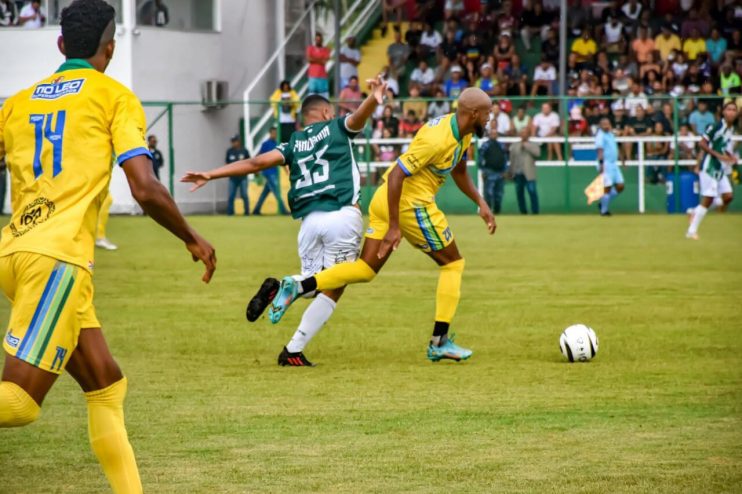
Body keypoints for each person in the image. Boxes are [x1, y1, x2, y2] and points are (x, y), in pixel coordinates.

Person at [0, 2, 216, 493]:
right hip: (57, 260)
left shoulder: (17, 102)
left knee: (106, 383)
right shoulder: (113, 96)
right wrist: (193, 236)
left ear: (60, 47)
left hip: (15, 253)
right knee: (18, 404)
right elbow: (144, 187)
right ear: (110, 50)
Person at [254, 88, 497, 363]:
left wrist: (480, 201)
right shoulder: (437, 138)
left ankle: (299, 286)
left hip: (385, 201)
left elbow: (459, 169)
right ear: (474, 113)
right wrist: (395, 226)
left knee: (366, 269)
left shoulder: (462, 130)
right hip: (408, 204)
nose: (490, 117)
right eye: (488, 112)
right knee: (453, 264)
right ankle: (439, 342)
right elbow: (396, 176)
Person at [181, 78, 387, 366]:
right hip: (341, 214)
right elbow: (358, 117)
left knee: (312, 286)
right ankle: (287, 304)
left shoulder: (293, 143)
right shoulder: (337, 127)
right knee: (336, 283)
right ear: (327, 113)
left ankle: (292, 349)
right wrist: (374, 98)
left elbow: (255, 163)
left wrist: (210, 174)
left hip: (309, 223)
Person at [686, 102, 739, 240]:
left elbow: (723, 145)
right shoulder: (716, 126)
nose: (732, 112)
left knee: (728, 196)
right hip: (709, 166)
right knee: (709, 197)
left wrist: (729, 155)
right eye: (729, 109)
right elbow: (702, 143)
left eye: (734, 110)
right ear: (723, 112)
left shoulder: (730, 129)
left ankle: (694, 211)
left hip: (719, 167)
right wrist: (718, 155)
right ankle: (691, 231)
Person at [252, 128, 287, 215]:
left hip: (274, 171)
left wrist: (285, 169)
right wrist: (256, 169)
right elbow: (259, 155)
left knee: (265, 193)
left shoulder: (277, 144)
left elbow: (281, 158)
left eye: (275, 133)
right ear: (270, 133)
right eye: (273, 133)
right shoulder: (265, 144)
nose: (274, 135)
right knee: (276, 191)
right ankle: (283, 210)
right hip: (268, 172)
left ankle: (256, 210)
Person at [595, 117, 625, 216]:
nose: (607, 126)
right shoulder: (600, 136)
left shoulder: (611, 134)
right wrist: (601, 164)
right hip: (606, 163)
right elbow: (600, 150)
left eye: (608, 123)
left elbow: (615, 147)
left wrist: (622, 159)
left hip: (614, 164)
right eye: (604, 124)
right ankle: (604, 211)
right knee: (607, 187)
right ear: (600, 125)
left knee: (620, 186)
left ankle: (602, 203)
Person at [509, 127, 540, 214]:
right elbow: (512, 159)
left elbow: (538, 153)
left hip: (529, 173)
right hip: (518, 173)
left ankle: (535, 212)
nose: (523, 134)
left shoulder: (533, 144)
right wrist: (511, 171)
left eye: (525, 133)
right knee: (519, 194)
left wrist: (526, 146)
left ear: (528, 134)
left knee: (532, 192)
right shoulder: (515, 145)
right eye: (522, 133)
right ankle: (523, 212)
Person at [478, 127, 508, 214]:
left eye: (495, 134)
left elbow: (505, 158)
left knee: (499, 194)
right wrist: (483, 170)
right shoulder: (485, 145)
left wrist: (505, 170)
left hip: (500, 173)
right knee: (488, 194)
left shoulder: (501, 145)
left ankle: (497, 212)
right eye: (492, 133)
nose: (494, 135)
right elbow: (480, 158)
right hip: (489, 171)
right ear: (489, 135)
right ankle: (488, 212)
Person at [225, 135, 250, 216]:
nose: (233, 143)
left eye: (234, 141)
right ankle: (230, 213)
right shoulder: (229, 151)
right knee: (231, 195)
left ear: (238, 142)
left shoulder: (244, 151)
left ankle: (247, 212)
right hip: (233, 177)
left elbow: (250, 162)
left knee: (244, 195)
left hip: (243, 177)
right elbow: (226, 164)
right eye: (232, 141)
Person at [307, 33, 330, 98]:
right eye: (317, 39)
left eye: (319, 39)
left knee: (323, 95)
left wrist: (314, 59)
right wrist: (320, 59)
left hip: (322, 75)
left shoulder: (326, 49)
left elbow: (324, 62)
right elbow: (309, 59)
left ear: (322, 40)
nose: (318, 41)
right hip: (312, 75)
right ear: (315, 40)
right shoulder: (310, 48)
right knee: (312, 95)